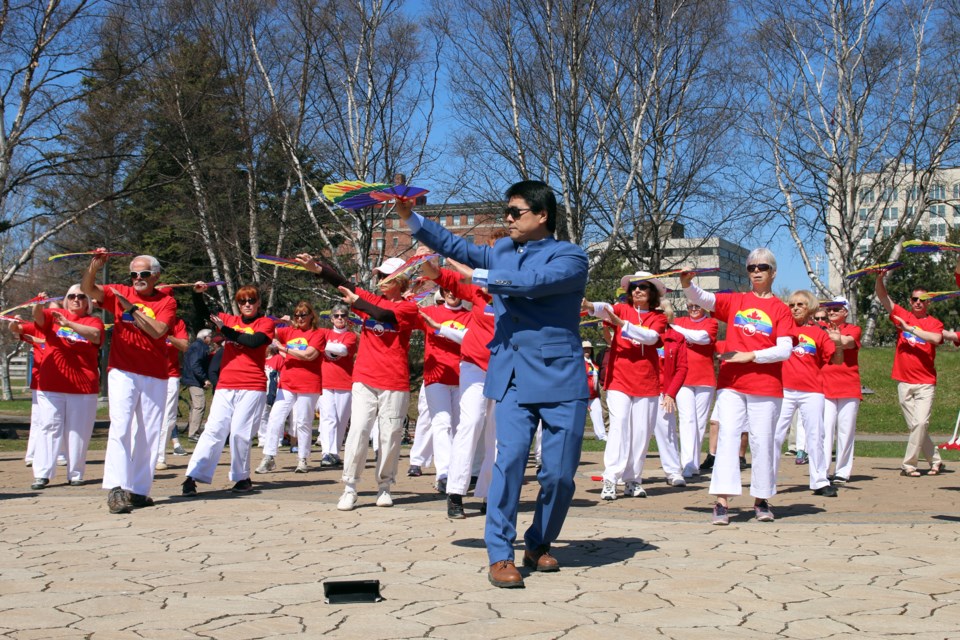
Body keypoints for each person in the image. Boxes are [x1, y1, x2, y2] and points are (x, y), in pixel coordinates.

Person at [396, 180, 589, 589]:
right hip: (513, 377)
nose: (507, 219)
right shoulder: (502, 251)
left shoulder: (571, 257)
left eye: (515, 212)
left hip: (560, 378)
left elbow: (533, 283)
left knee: (558, 475)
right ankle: (500, 553)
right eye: (507, 211)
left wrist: (480, 274)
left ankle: (538, 543)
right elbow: (454, 245)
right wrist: (409, 217)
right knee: (509, 460)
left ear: (542, 215)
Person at [295, 254, 419, 511]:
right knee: (359, 430)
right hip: (364, 378)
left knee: (389, 436)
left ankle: (384, 486)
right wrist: (317, 268)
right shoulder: (370, 299)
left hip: (394, 382)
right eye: (380, 276)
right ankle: (350, 487)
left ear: (400, 280)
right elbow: (342, 283)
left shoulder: (408, 308)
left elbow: (384, 315)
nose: (381, 280)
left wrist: (359, 302)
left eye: (386, 276)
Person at [680, 249, 794, 525]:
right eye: (752, 267)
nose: (756, 271)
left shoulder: (780, 308)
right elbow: (703, 298)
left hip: (766, 386)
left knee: (762, 441)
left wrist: (752, 355)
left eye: (763, 267)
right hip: (731, 383)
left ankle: (761, 499)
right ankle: (721, 501)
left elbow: (785, 349)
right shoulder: (737, 301)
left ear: (773, 272)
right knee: (727, 438)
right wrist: (687, 283)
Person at [82, 251, 177, 514]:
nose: (137, 278)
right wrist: (94, 266)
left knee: (148, 432)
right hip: (122, 370)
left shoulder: (167, 301)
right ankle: (116, 488)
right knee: (121, 426)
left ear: (156, 276)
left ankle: (138, 490)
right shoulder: (118, 291)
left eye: (144, 274)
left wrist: (131, 309)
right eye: (133, 274)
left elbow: (158, 331)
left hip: (155, 373)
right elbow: (87, 289)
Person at [182, 285, 275, 496]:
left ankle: (242, 478)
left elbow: (253, 342)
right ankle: (193, 475)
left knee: (240, 433)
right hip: (227, 384)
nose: (247, 304)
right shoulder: (230, 320)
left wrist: (224, 329)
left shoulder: (265, 323)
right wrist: (197, 294)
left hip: (252, 385)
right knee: (213, 430)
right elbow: (205, 314)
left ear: (259, 302)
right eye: (242, 302)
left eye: (251, 300)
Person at [583, 272, 668, 499]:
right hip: (619, 380)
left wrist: (623, 325)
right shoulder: (621, 310)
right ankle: (610, 478)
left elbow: (650, 338)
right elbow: (604, 309)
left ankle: (632, 479)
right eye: (633, 288)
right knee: (619, 427)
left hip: (647, 383)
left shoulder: (659, 318)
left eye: (642, 287)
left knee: (641, 433)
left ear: (652, 293)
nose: (636, 290)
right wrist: (590, 304)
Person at [24, 285, 104, 489]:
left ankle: (76, 473)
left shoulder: (93, 321)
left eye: (80, 296)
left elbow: (95, 336)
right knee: (48, 428)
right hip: (51, 384)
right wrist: (38, 305)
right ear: (65, 300)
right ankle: (42, 474)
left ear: (87, 302)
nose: (76, 299)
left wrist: (69, 323)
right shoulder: (55, 314)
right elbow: (39, 318)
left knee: (78, 431)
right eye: (71, 296)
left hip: (83, 386)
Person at [875, 272, 944, 477]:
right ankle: (936, 460)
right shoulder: (902, 315)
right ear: (910, 301)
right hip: (904, 381)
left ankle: (909, 465)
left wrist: (911, 329)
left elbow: (935, 338)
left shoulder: (934, 322)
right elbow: (883, 298)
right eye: (914, 299)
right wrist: (879, 279)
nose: (918, 303)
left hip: (925, 382)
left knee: (921, 423)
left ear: (928, 302)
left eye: (922, 300)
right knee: (916, 426)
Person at [772, 290, 837, 497]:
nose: (796, 308)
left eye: (800, 304)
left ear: (809, 308)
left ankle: (819, 481)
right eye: (791, 305)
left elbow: (834, 357)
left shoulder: (818, 333)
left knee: (815, 435)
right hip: (784, 390)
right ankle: (768, 479)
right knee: (775, 435)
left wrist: (839, 340)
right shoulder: (781, 330)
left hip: (812, 391)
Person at [407, 287, 468, 491]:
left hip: (462, 378)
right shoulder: (431, 312)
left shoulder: (469, 316)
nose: (451, 293)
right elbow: (405, 317)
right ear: (442, 292)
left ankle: (461, 471)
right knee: (442, 424)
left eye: (455, 290)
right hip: (436, 378)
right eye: (447, 290)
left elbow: (470, 340)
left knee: (460, 427)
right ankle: (444, 473)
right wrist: (408, 299)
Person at [256, 301, 326, 474]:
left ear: (311, 316)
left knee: (302, 422)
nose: (300, 318)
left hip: (308, 384)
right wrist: (277, 320)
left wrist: (283, 348)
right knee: (275, 418)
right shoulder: (289, 331)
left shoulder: (317, 334)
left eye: (303, 314)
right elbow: (266, 329)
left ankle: (302, 459)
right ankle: (269, 457)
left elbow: (309, 355)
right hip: (287, 383)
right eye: (297, 315)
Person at [671, 301, 719, 477]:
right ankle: (687, 463)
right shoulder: (680, 320)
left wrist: (677, 329)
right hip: (683, 378)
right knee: (686, 419)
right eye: (690, 306)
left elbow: (702, 338)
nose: (693, 309)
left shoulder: (711, 323)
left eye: (697, 306)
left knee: (699, 422)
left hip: (705, 379)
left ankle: (693, 463)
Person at [821, 297, 861, 486]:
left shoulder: (853, 328)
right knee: (825, 430)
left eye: (836, 308)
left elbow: (848, 342)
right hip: (825, 386)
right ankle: (822, 470)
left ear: (845, 311)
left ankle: (842, 471)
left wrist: (833, 337)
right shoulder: (820, 328)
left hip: (848, 386)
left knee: (845, 431)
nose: (831, 312)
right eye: (829, 309)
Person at [316, 304, 357, 467]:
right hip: (325, 382)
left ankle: (335, 452)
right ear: (331, 318)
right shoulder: (324, 333)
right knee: (328, 418)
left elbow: (342, 350)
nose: (340, 318)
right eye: (337, 315)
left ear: (347, 318)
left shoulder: (351, 336)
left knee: (341, 419)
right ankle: (327, 452)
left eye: (343, 315)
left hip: (345, 382)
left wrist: (320, 345)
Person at [155, 317, 189, 471]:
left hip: (171, 375)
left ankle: (160, 456)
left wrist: (165, 334)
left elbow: (184, 345)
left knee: (168, 417)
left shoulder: (177, 323)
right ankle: (140, 454)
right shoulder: (146, 315)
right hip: (149, 373)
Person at [181, 328, 213, 441]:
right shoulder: (200, 347)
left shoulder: (195, 346)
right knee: (200, 405)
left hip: (191, 379)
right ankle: (193, 433)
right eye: (210, 337)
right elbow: (195, 364)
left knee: (196, 407)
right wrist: (204, 379)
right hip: (194, 380)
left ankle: (193, 432)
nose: (211, 339)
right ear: (205, 337)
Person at [582, 341, 606, 442]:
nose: (587, 350)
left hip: (594, 395)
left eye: (589, 348)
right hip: (583, 395)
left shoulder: (594, 363)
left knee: (598, 412)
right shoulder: (579, 363)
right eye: (585, 348)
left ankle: (600, 435)